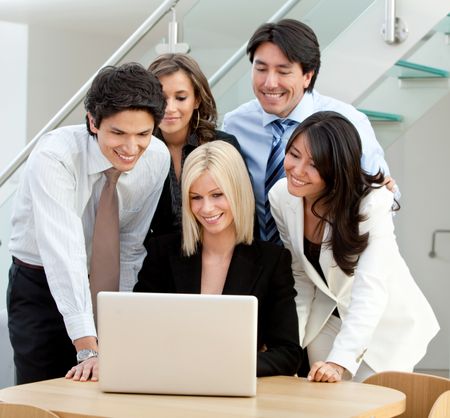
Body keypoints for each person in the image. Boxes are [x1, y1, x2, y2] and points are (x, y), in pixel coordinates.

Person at [7, 62, 170, 384]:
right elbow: (63, 253)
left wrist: (115, 320)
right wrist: (88, 348)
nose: (131, 148)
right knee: (41, 393)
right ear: (93, 122)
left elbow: (130, 246)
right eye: (118, 133)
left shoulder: (157, 158)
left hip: (104, 281)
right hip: (40, 286)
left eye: (143, 134)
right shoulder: (55, 157)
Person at [269, 111, 439, 383]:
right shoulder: (281, 195)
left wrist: (339, 361)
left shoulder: (372, 202)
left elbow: (370, 289)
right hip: (325, 319)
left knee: (376, 405)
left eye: (314, 164)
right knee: (325, 405)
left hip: (383, 324)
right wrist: (287, 343)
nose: (297, 170)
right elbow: (301, 278)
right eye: (294, 154)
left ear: (336, 168)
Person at [135, 141, 302, 376]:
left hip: (235, 391)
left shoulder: (272, 261)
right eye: (196, 197)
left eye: (217, 195)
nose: (206, 208)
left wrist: (225, 366)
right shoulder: (162, 252)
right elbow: (139, 331)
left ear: (238, 192)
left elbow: (288, 353)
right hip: (171, 382)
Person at [223, 19, 396, 243]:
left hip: (324, 258)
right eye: (261, 69)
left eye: (283, 72)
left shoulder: (349, 123)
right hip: (257, 263)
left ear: (307, 76)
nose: (269, 83)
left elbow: (383, 200)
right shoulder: (235, 125)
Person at [146, 53, 240, 238]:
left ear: (196, 99)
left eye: (180, 98)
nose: (169, 108)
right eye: (161, 98)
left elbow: (243, 210)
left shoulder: (223, 145)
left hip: (217, 254)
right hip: (157, 260)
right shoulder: (139, 150)